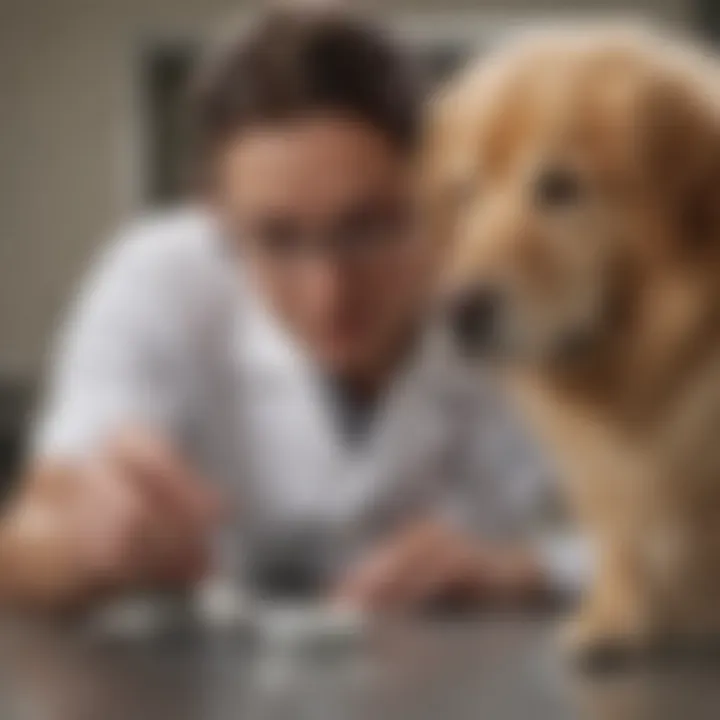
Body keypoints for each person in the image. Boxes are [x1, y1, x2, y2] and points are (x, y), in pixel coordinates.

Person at [0, 6, 583, 611]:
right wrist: (85, 546)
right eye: (278, 238)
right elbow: (23, 548)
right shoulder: (157, 278)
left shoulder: (522, 288)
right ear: (218, 220)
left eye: (369, 228)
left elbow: (671, 547)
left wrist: (526, 569)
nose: (328, 291)